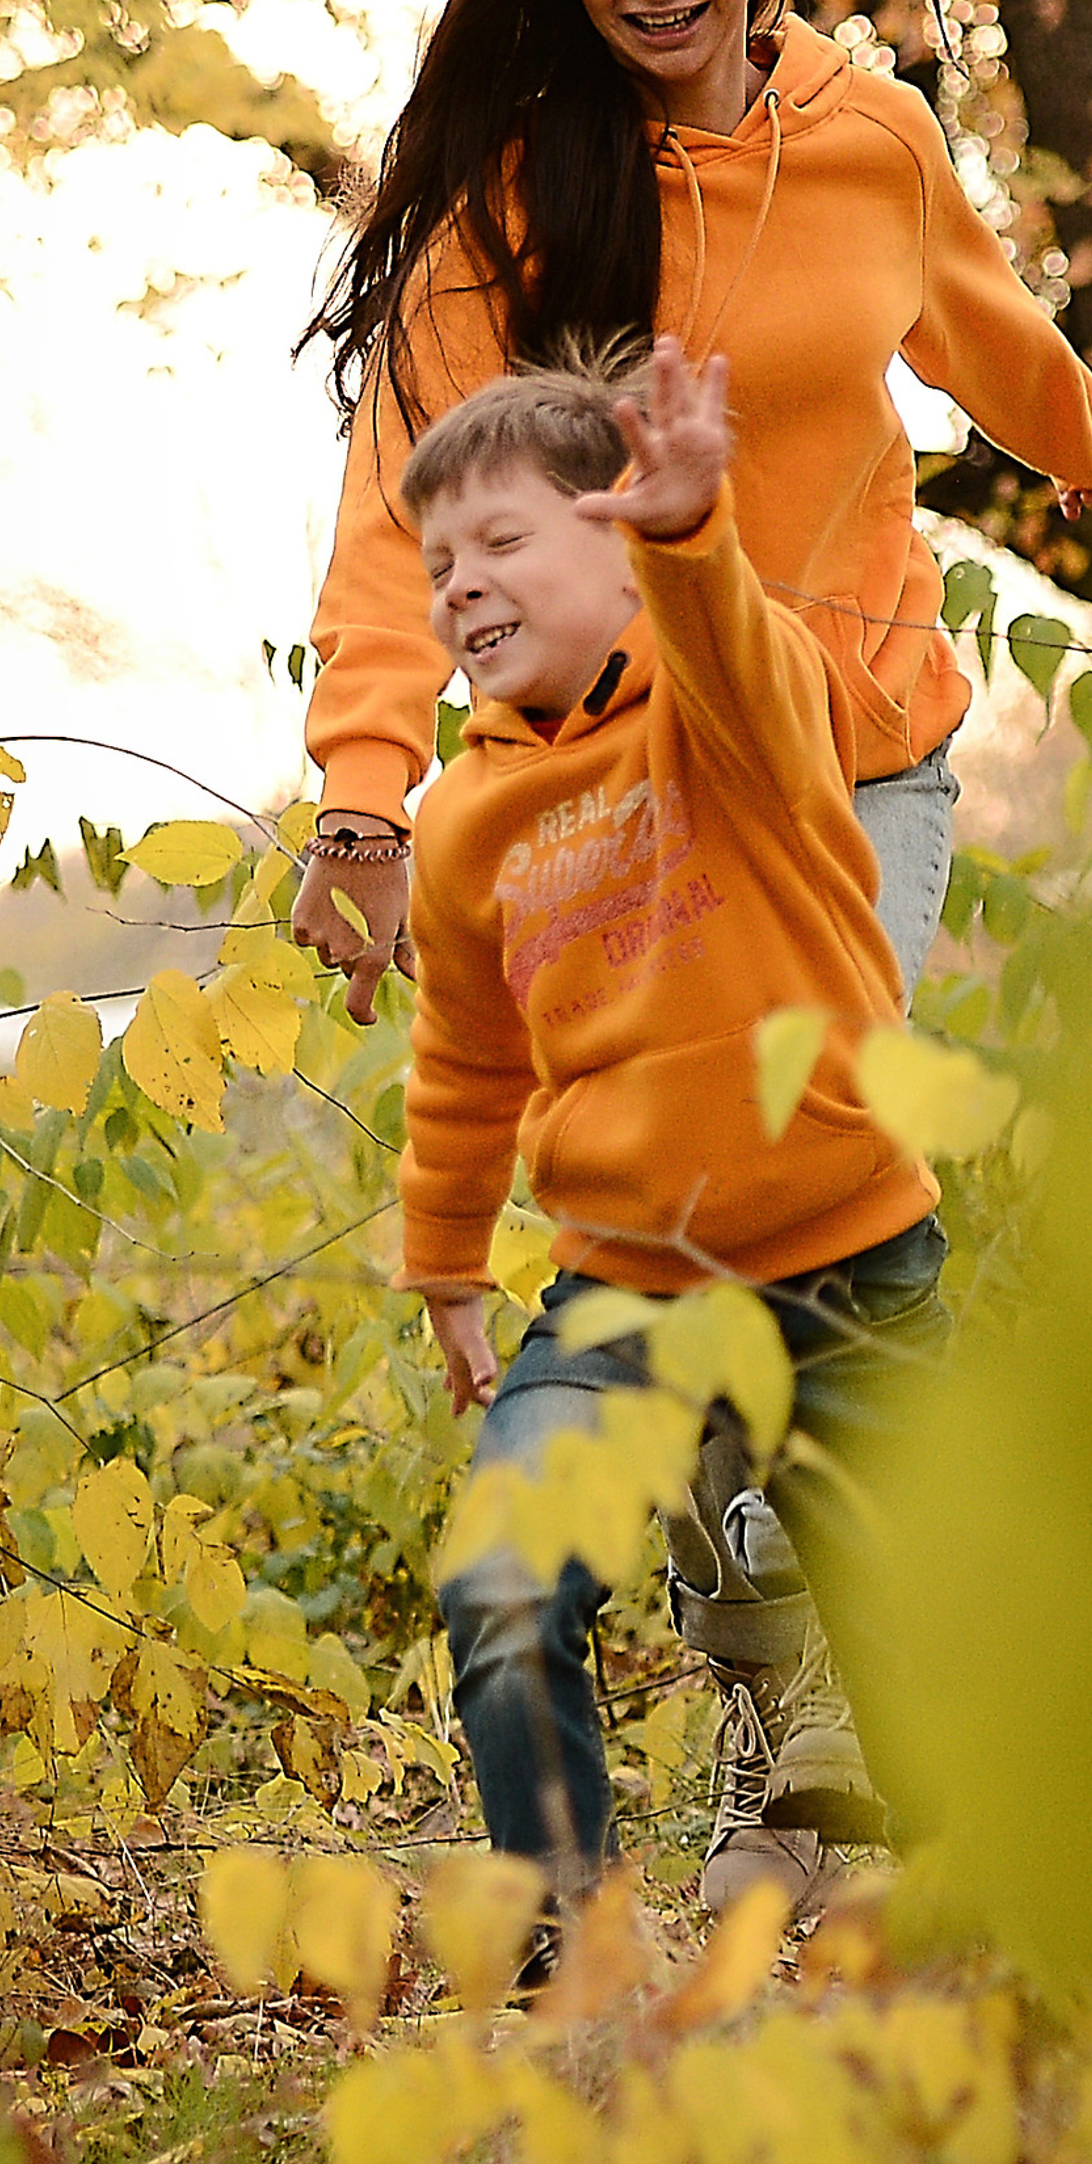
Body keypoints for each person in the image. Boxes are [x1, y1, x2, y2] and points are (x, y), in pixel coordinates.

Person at [290, 0, 1092, 1900]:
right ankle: (776, 1681)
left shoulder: (869, 138)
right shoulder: (505, 197)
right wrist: (367, 797)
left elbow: (988, 342)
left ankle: (866, 1699)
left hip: (853, 740)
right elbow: (411, 523)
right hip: (598, 785)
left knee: (816, 1149)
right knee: (657, 1217)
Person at [398, 342, 946, 1914]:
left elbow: (729, 640)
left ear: (619, 541)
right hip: (626, 1282)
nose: (461, 587)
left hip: (850, 1256)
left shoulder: (733, 711)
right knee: (504, 1585)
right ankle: (571, 1945)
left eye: (504, 541)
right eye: (440, 563)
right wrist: (443, 1262)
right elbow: (464, 1062)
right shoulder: (467, 822)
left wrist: (697, 526)